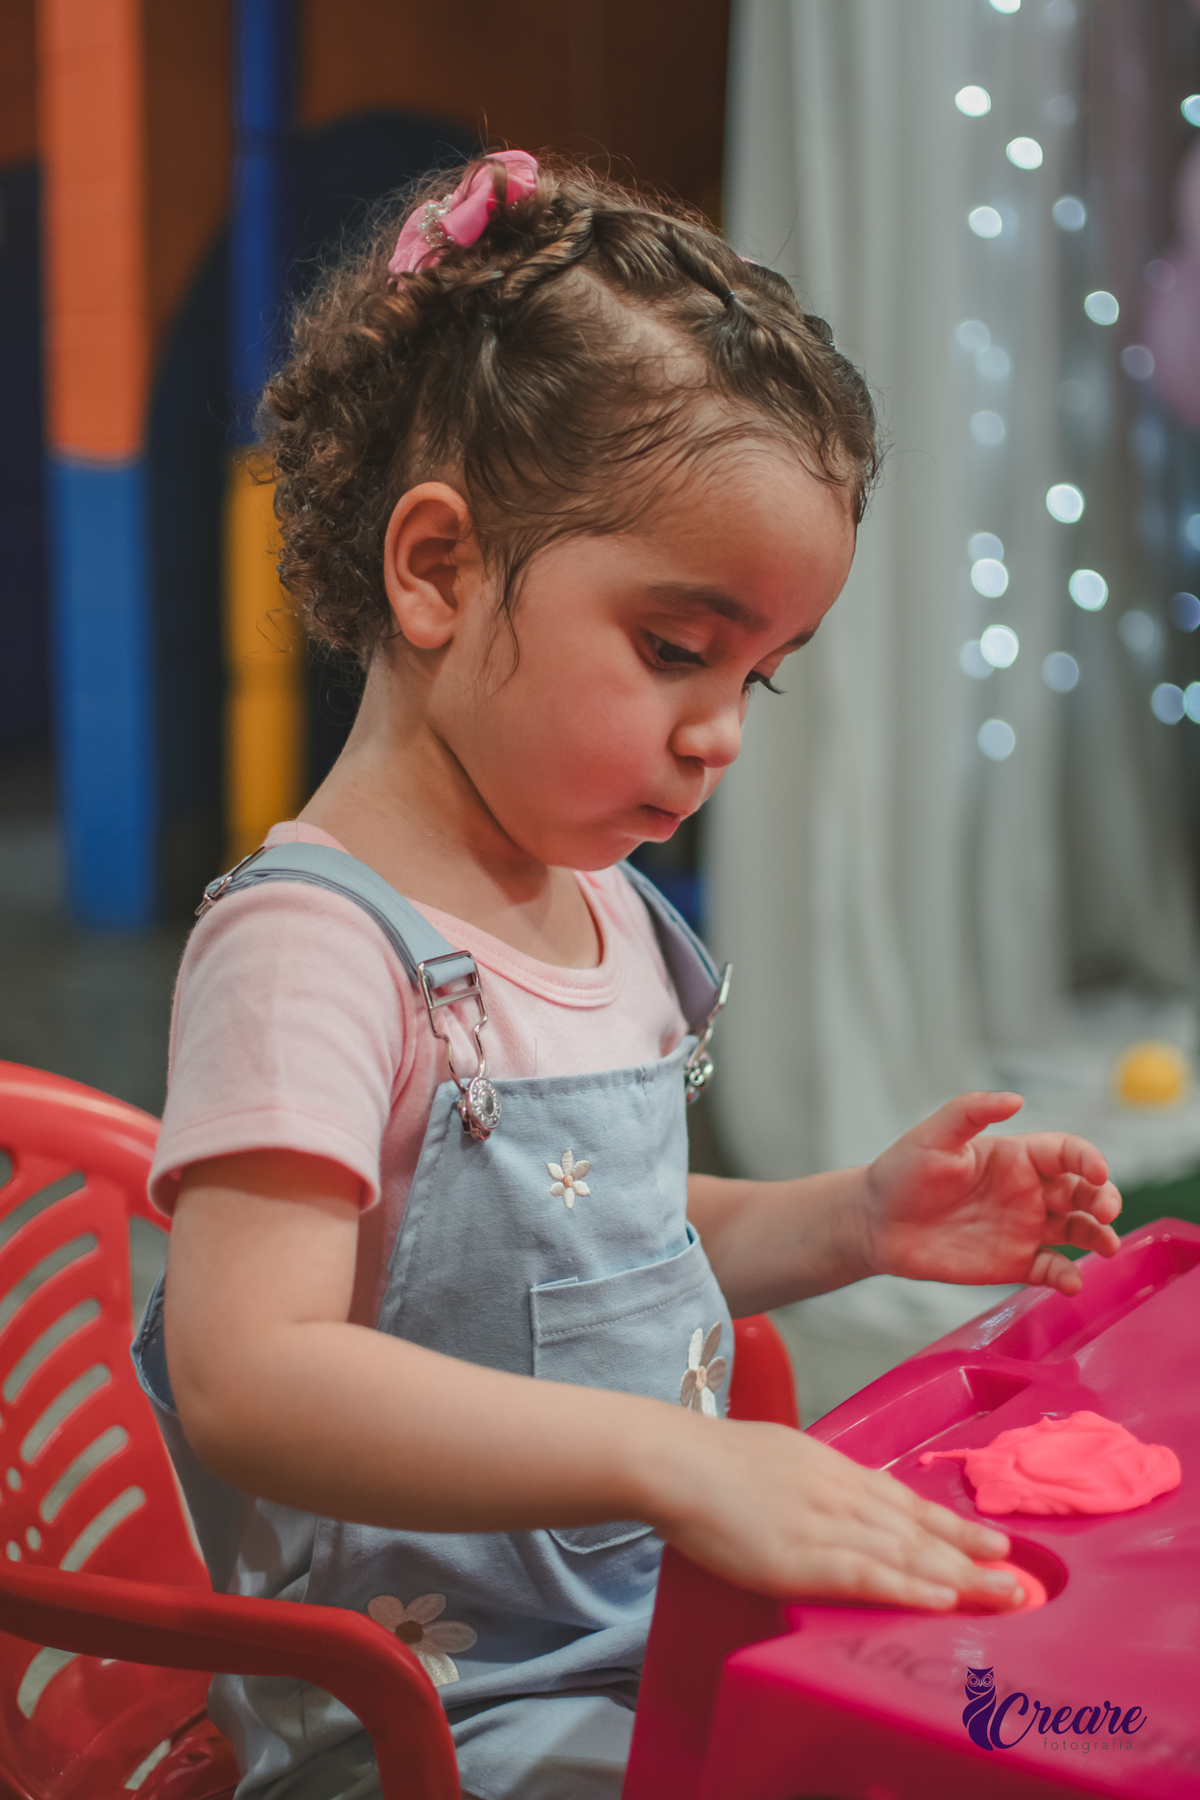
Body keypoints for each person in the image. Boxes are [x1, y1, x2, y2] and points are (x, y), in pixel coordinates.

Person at [133, 152, 1123, 1800]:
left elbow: (602, 1246)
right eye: (676, 648)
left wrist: (858, 1220)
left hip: (652, 1629)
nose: (719, 731)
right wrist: (675, 1461)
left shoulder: (600, 907)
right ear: (438, 570)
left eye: (759, 679)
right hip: (447, 1718)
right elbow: (251, 1373)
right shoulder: (314, 950)